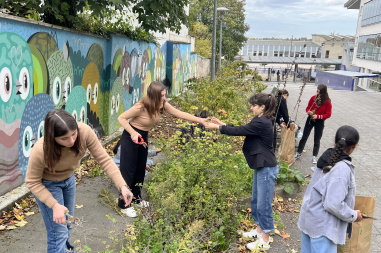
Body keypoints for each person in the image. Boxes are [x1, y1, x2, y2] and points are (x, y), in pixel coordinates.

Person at [25, 109, 133, 253]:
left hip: (68, 180)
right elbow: (32, 182)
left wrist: (122, 186)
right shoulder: (41, 150)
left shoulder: (85, 131)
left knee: (68, 225)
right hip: (47, 185)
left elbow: (105, 160)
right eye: (64, 138)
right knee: (58, 234)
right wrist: (54, 205)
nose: (71, 141)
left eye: (73, 134)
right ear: (52, 137)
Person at [117, 81, 207, 217]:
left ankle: (136, 199)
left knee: (140, 169)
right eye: (162, 95)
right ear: (153, 96)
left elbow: (180, 113)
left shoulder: (162, 105)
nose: (164, 98)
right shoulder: (141, 106)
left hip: (143, 137)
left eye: (165, 94)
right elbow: (122, 118)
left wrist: (201, 121)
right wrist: (133, 133)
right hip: (131, 137)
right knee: (128, 171)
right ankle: (124, 204)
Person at [205, 93, 278, 252]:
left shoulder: (263, 122)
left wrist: (218, 127)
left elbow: (240, 131)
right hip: (261, 166)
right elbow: (245, 129)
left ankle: (264, 239)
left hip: (266, 167)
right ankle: (258, 231)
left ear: (262, 107)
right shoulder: (260, 121)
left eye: (253, 105)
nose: (251, 107)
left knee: (264, 204)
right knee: (256, 200)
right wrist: (223, 124)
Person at [298, 125, 362, 253]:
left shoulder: (327, 155)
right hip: (323, 227)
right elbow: (333, 204)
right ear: (354, 146)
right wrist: (353, 215)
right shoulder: (342, 169)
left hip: (310, 218)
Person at [295, 84, 332, 164]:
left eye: (319, 92)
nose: (317, 93)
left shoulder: (327, 102)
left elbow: (328, 114)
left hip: (319, 121)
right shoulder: (313, 98)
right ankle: (299, 152)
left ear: (323, 92)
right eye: (317, 91)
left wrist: (318, 116)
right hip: (310, 119)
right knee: (304, 136)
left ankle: (314, 156)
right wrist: (309, 111)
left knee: (317, 139)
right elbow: (308, 107)